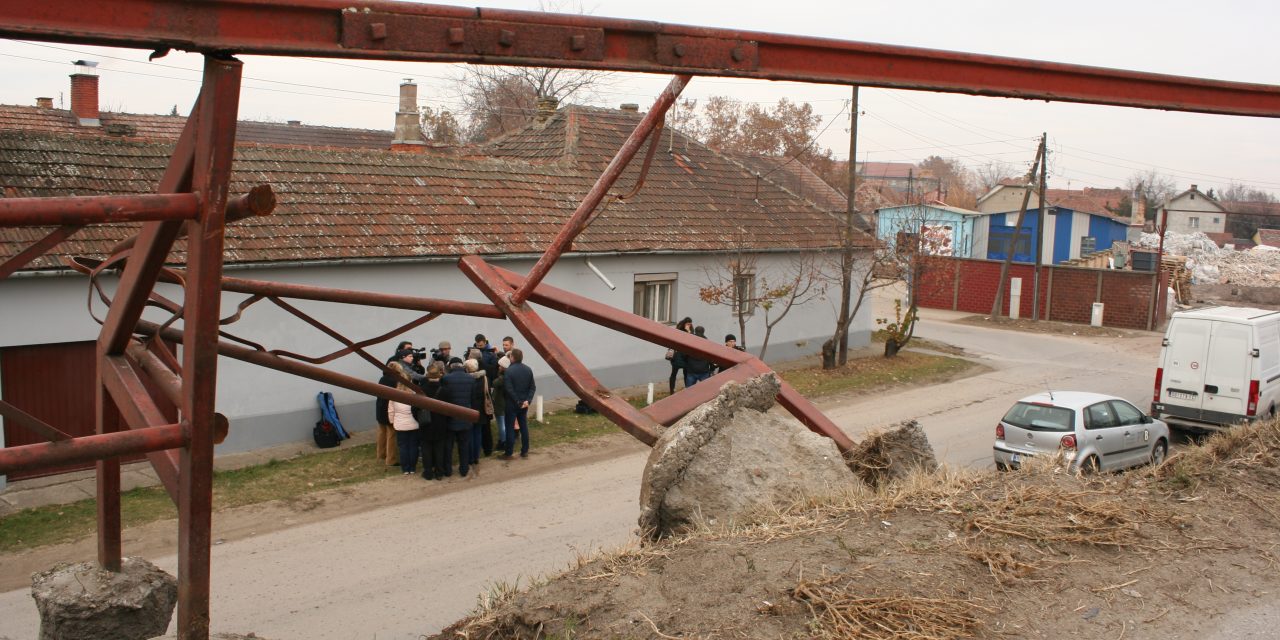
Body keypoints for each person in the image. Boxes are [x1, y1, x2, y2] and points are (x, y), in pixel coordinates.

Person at [437, 357, 479, 477]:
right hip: (465, 417)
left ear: (451, 366)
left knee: (448, 446)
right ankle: (464, 469)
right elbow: (473, 400)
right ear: (462, 366)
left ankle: (448, 470)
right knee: (464, 446)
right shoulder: (471, 379)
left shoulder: (446, 378)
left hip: (450, 417)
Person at [386, 359, 420, 475]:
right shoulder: (415, 395)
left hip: (400, 425)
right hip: (413, 423)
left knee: (403, 447)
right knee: (413, 446)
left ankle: (405, 468)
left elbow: (391, 410)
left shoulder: (394, 395)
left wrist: (392, 422)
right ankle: (412, 467)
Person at [502, 348, 536, 459]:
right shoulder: (528, 369)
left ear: (512, 357)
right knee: (523, 426)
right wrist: (528, 400)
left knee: (510, 427)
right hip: (524, 404)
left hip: (512, 404)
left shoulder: (508, 371)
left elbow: (509, 389)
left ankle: (509, 452)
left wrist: (517, 401)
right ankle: (525, 450)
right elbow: (532, 387)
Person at [417, 362, 449, 480]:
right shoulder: (445, 391)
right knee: (439, 449)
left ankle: (428, 472)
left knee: (426, 450)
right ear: (439, 375)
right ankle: (439, 472)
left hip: (425, 423)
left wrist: (419, 419)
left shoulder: (421, 391)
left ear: (428, 375)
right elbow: (450, 409)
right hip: (441, 423)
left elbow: (414, 408)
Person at [465, 358, 495, 461]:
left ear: (467, 369)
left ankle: (470, 457)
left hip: (470, 409)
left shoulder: (467, 380)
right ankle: (476, 456)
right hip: (482, 409)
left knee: (470, 434)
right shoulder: (485, 378)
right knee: (478, 433)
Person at [667, 317, 693, 394]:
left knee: (686, 373)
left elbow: (692, 340)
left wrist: (689, 331)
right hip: (678, 355)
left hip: (685, 356)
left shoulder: (691, 329)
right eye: (688, 324)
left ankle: (687, 389)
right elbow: (681, 340)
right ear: (685, 323)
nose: (689, 326)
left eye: (690, 324)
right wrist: (688, 332)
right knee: (674, 373)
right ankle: (672, 390)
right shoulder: (679, 330)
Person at [492, 356, 509, 452]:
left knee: (501, 424)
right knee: (505, 423)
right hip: (505, 403)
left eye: (500, 366)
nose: (498, 367)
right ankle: (505, 440)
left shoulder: (503, 378)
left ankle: (503, 442)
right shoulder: (509, 376)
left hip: (500, 404)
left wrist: (499, 375)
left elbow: (494, 383)